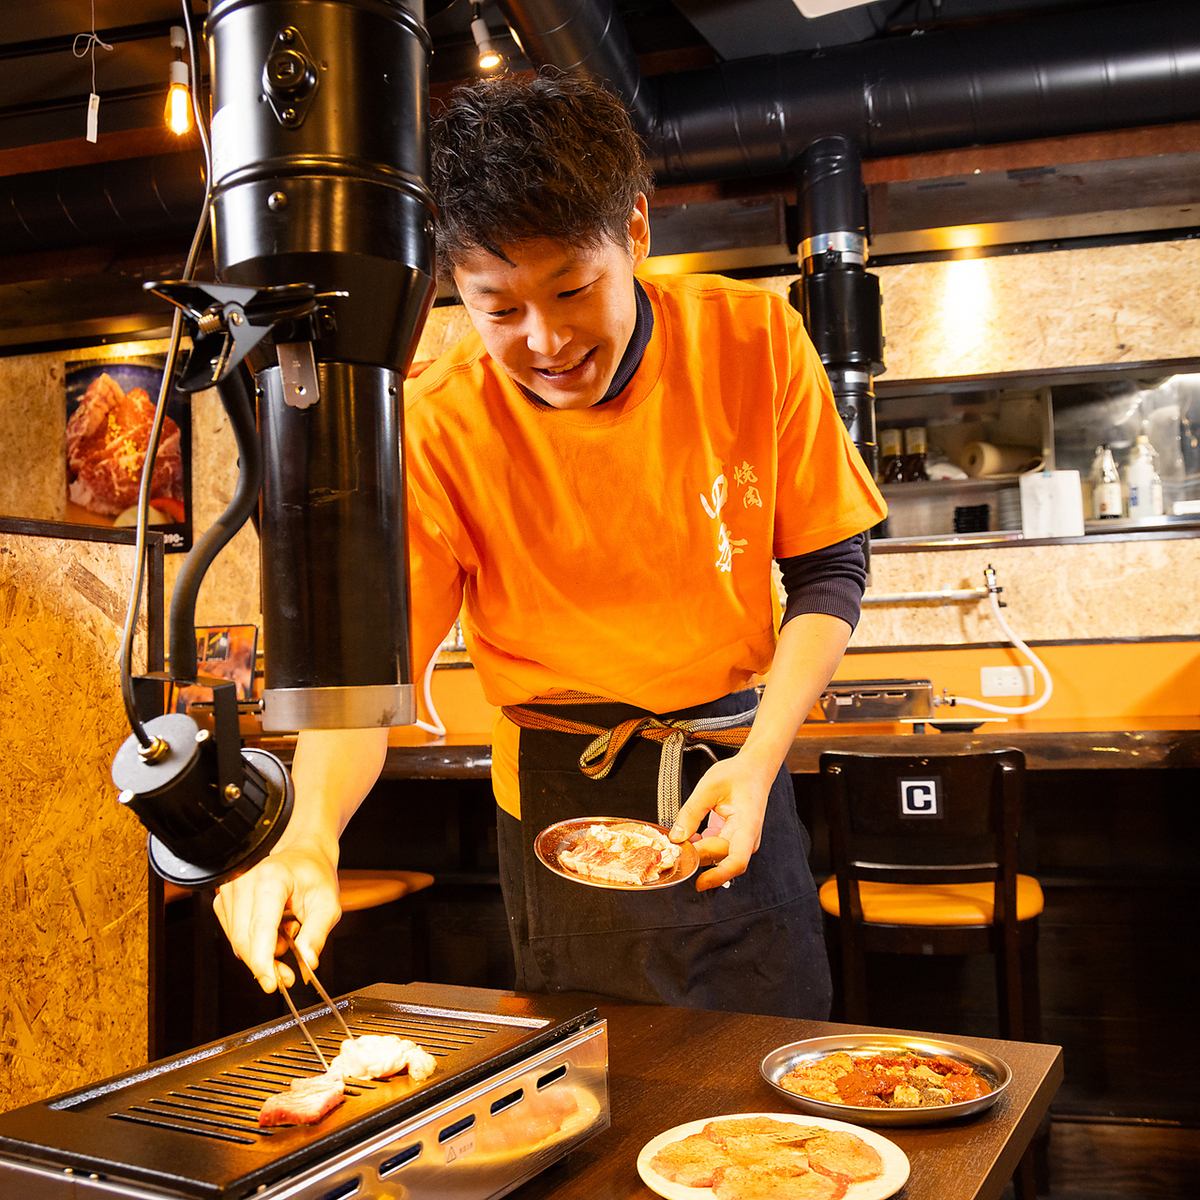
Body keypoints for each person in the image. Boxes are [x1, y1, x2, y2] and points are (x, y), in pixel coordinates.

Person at [214, 71, 886, 1019]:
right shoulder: (440, 421)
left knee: (770, 1064)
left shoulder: (752, 338)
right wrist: (308, 836)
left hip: (738, 755)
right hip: (561, 794)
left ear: (637, 237)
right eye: (500, 309)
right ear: (458, 289)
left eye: (574, 289)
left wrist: (762, 757)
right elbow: (374, 676)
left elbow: (830, 569)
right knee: (601, 1082)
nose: (547, 339)